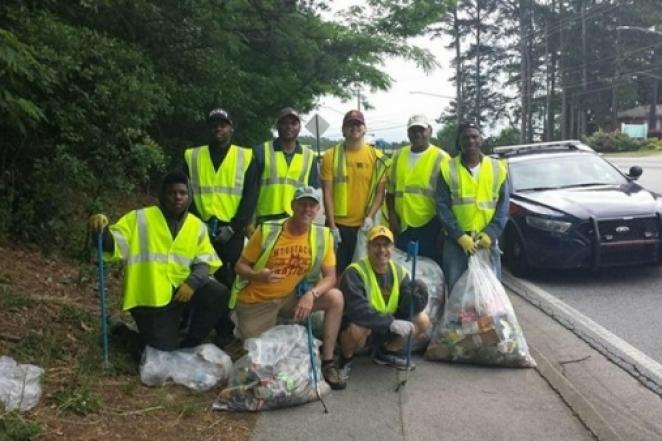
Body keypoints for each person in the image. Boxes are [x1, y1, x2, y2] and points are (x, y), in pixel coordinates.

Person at [88, 171, 229, 356]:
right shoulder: (140, 219)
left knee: (218, 294)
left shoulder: (196, 225)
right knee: (159, 356)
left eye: (182, 193)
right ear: (162, 195)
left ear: (189, 196)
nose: (177, 197)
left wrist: (193, 282)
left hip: (181, 290)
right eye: (172, 193)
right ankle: (119, 330)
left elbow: (205, 259)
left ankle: (188, 343)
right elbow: (111, 243)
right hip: (150, 296)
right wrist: (101, 230)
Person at [230, 186, 346, 390]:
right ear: (293, 205)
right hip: (257, 301)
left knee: (336, 297)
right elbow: (240, 266)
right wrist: (258, 275)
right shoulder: (268, 230)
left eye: (311, 205)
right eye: (302, 204)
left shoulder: (322, 236)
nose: (306, 209)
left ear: (318, 209)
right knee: (262, 360)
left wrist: (312, 293)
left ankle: (328, 362)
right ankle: (244, 329)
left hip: (289, 297)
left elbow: (330, 277)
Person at [184, 107, 258, 343]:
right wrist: (197, 222)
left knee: (233, 281)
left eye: (223, 124)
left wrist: (236, 227)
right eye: (214, 124)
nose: (219, 128)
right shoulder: (193, 156)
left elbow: (250, 196)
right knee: (203, 277)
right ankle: (207, 326)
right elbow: (185, 192)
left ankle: (228, 328)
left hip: (232, 231)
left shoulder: (245, 157)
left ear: (231, 128)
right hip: (201, 229)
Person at [337, 225, 429, 380]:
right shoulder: (355, 272)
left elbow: (407, 306)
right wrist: (390, 323)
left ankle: (386, 352)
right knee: (356, 329)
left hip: (385, 327)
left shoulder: (400, 272)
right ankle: (345, 360)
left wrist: (417, 297)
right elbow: (357, 310)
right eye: (376, 245)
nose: (381, 250)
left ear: (392, 248)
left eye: (386, 245)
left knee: (422, 320)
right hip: (364, 327)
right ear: (368, 247)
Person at [436, 121, 510, 291]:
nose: (470, 141)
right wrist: (459, 236)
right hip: (456, 243)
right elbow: (442, 206)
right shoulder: (448, 168)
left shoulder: (497, 168)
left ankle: (487, 320)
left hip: (486, 242)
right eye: (465, 138)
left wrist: (491, 233)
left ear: (481, 140)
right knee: (457, 292)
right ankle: (459, 319)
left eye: (474, 137)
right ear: (459, 141)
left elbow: (503, 206)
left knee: (490, 294)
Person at [321, 110, 389, 274]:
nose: (354, 128)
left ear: (364, 129)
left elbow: (380, 193)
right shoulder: (331, 156)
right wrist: (332, 226)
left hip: (363, 227)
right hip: (338, 226)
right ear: (343, 130)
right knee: (335, 273)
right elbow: (327, 193)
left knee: (362, 272)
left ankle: (356, 300)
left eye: (358, 124)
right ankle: (337, 300)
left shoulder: (377, 158)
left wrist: (370, 217)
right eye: (350, 125)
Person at [386, 114, 449, 267]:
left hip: (431, 226)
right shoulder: (399, 155)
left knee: (430, 270)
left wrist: (444, 229)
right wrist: (393, 218)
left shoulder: (442, 158)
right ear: (408, 133)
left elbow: (449, 198)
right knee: (404, 269)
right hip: (403, 226)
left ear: (430, 131)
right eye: (413, 130)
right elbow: (390, 191)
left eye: (421, 130)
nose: (417, 134)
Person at [253, 107, 320, 225]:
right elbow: (251, 190)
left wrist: (310, 220)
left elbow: (314, 192)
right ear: (277, 126)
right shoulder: (261, 151)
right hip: (266, 219)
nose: (289, 127)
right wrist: (249, 223)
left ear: (300, 127)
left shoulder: (309, 156)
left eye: (294, 123)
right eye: (284, 123)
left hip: (296, 219)